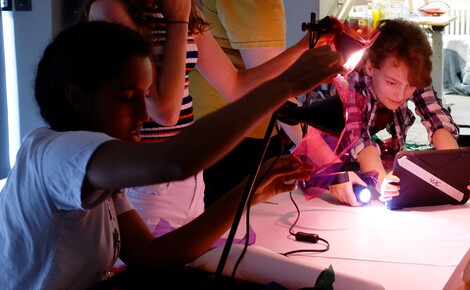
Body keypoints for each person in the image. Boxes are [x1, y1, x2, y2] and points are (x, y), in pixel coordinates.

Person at [0, 21, 342, 289]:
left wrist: (246, 194)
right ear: (77, 97)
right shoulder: (55, 153)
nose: (144, 115)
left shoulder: (101, 175)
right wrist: (286, 85)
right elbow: (175, 161)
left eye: (145, 95)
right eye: (128, 97)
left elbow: (152, 255)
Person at [81, 0, 314, 231]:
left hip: (189, 172)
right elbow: (164, 111)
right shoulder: (111, 8)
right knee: (156, 263)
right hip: (148, 177)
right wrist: (178, 21)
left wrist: (304, 47)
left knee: (193, 262)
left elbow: (235, 85)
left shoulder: (180, 8)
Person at [310, 19, 470, 207]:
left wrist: (456, 166)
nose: (400, 95)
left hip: (381, 156)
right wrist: (382, 180)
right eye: (392, 83)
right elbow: (358, 135)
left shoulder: (411, 73)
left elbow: (436, 117)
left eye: (410, 86)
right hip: (331, 157)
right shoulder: (352, 79)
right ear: (370, 67)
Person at [188, 0, 303, 209]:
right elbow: (271, 90)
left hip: (207, 131)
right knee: (227, 230)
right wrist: (327, 163)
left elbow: (252, 86)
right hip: (233, 140)